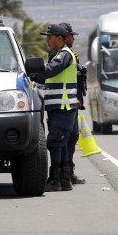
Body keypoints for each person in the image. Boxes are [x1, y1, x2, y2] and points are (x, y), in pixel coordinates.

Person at [31, 24, 79, 192]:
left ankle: (55, 180)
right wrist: (33, 77)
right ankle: (64, 180)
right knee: (60, 143)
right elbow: (46, 78)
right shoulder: (58, 55)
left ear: (59, 38)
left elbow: (51, 70)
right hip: (57, 108)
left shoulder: (64, 55)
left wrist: (32, 72)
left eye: (49, 37)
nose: (47, 40)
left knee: (54, 143)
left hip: (63, 107)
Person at [58, 22, 86, 185]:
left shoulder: (69, 55)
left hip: (72, 103)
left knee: (72, 137)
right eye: (71, 36)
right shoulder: (61, 55)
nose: (73, 39)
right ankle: (62, 174)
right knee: (65, 138)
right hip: (64, 104)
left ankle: (68, 172)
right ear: (64, 37)